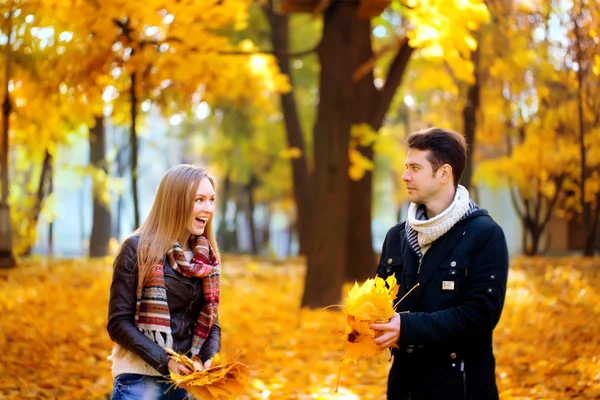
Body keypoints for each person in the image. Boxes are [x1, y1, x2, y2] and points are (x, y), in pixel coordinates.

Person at [370, 128, 509, 400]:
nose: (404, 176)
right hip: (403, 389)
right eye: (406, 167)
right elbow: (381, 305)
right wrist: (365, 323)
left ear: (444, 173)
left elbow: (482, 315)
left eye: (415, 168)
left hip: (461, 388)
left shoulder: (485, 234)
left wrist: (407, 328)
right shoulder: (396, 236)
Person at [107, 164, 221, 400]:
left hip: (185, 382)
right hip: (140, 380)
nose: (208, 208)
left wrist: (208, 358)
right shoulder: (136, 249)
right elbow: (118, 323)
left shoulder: (205, 259)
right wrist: (166, 361)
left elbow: (212, 321)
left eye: (211, 200)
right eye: (199, 199)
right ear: (175, 201)